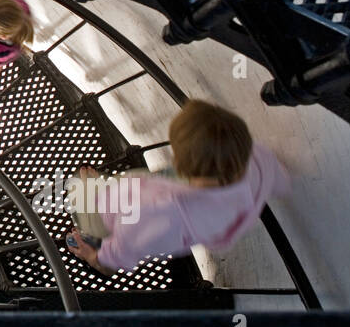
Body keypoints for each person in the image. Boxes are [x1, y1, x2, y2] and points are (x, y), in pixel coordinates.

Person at [65, 98, 291, 276]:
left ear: (183, 166)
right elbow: (279, 180)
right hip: (178, 201)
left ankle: (93, 231)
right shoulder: (256, 160)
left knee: (81, 194)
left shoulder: (148, 215)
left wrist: (92, 256)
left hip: (121, 215)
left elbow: (119, 254)